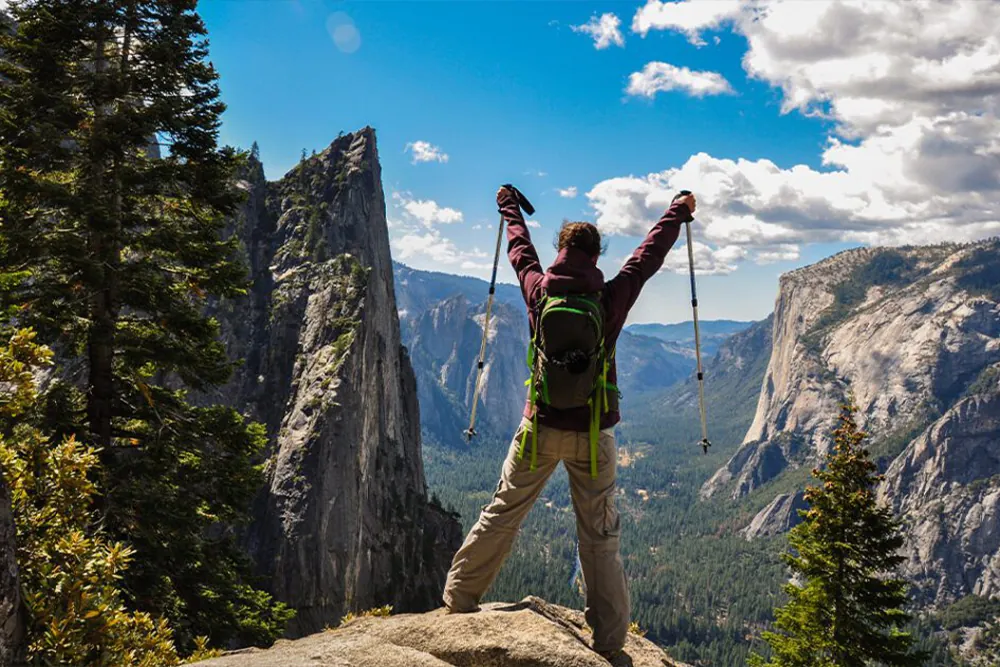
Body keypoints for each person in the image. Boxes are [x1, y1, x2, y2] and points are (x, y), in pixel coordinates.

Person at [442, 185, 696, 665]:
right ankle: (609, 642)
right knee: (600, 535)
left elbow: (519, 248)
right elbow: (647, 256)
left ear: (560, 250)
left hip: (538, 431)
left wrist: (507, 206)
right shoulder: (610, 297)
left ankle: (458, 598)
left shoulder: (539, 289)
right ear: (595, 255)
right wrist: (676, 213)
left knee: (503, 512)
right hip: (594, 434)